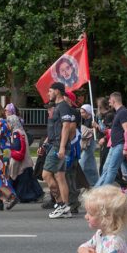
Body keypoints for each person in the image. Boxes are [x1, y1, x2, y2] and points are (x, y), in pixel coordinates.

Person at [95, 92, 127, 204]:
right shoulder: (120, 112)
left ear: (113, 101)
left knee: (110, 170)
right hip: (117, 145)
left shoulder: (123, 113)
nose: (108, 102)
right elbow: (118, 130)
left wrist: (126, 148)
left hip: (120, 146)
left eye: (110, 101)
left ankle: (100, 194)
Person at [42, 82, 74, 218]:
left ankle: (61, 204)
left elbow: (67, 127)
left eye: (50, 91)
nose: (48, 93)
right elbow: (54, 128)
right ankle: (65, 207)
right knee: (59, 176)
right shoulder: (58, 107)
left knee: (46, 175)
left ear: (57, 91)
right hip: (54, 144)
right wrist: (45, 144)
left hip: (58, 146)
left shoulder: (63, 107)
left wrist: (61, 147)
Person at [6, 110, 43, 203]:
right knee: (29, 179)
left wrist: (8, 146)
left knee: (20, 179)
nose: (7, 125)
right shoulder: (21, 131)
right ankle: (38, 194)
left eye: (8, 123)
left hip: (20, 160)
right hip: (26, 159)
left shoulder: (15, 133)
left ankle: (23, 196)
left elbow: (16, 146)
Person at [79, 103, 99, 186]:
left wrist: (91, 129)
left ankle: (82, 182)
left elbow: (95, 131)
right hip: (85, 143)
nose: (81, 114)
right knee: (91, 165)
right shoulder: (84, 119)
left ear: (88, 112)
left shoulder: (93, 119)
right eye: (81, 112)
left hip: (90, 143)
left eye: (83, 112)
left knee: (81, 164)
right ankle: (94, 182)